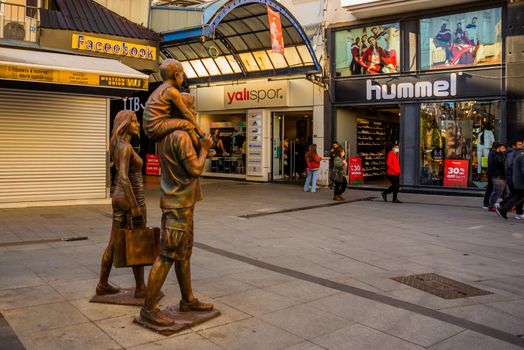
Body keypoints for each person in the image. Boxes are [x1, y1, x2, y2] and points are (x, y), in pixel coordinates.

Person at [139, 118, 214, 327]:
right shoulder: (180, 137)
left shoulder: (171, 136)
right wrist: (205, 148)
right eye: (190, 108)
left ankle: (188, 299)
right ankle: (149, 308)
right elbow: (195, 169)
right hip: (178, 205)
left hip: (183, 203)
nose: (192, 113)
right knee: (168, 254)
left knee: (184, 254)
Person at [96, 110, 146, 298]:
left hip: (118, 198)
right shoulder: (125, 147)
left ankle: (102, 284)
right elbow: (124, 177)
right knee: (138, 242)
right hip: (130, 197)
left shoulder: (119, 145)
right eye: (134, 121)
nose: (138, 124)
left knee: (113, 243)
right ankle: (141, 287)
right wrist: (134, 206)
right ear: (125, 124)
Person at [143, 58, 215, 157]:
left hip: (151, 126)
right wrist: (200, 132)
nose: (183, 79)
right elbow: (185, 113)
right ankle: (200, 149)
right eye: (182, 75)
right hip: (156, 126)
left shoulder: (161, 89)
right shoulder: (171, 91)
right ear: (176, 76)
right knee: (186, 124)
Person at [499, 139, 524, 218]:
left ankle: (503, 208)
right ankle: (503, 208)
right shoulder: (520, 155)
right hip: (520, 181)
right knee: (517, 196)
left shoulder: (519, 154)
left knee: (517, 196)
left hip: (517, 180)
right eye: (519, 144)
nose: (521, 146)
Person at [487, 142, 506, 210]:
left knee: (504, 191)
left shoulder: (497, 154)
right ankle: (491, 205)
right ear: (498, 148)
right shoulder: (496, 155)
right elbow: (501, 164)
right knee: (497, 191)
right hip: (498, 176)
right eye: (502, 148)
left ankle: (506, 205)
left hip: (499, 175)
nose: (504, 149)